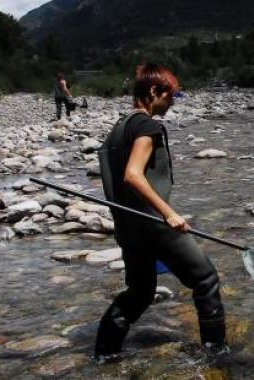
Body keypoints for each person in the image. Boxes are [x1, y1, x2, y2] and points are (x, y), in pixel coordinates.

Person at [95, 63, 227, 361]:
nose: (172, 104)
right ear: (154, 91)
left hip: (128, 229)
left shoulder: (120, 127)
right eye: (172, 96)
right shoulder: (147, 125)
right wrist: (168, 214)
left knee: (140, 292)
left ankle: (105, 354)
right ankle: (217, 354)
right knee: (205, 279)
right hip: (152, 223)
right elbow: (132, 175)